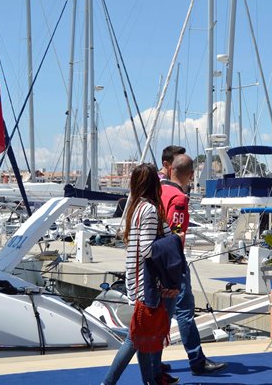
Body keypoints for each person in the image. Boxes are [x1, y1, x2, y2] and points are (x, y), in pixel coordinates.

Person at [102, 163, 179, 385]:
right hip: (147, 283)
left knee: (142, 338)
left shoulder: (136, 208)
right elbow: (148, 249)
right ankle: (107, 383)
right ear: (154, 183)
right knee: (135, 338)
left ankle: (149, 382)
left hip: (136, 279)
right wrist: (172, 241)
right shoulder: (150, 210)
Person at [157, 149, 228, 375]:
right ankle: (197, 361)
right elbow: (176, 234)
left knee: (164, 314)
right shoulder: (178, 198)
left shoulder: (159, 191)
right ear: (190, 175)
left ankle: (154, 360)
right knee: (185, 311)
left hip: (157, 261)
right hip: (173, 264)